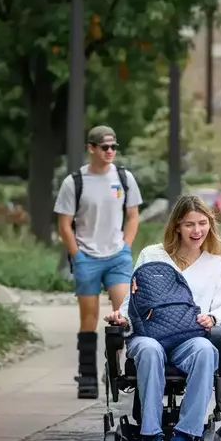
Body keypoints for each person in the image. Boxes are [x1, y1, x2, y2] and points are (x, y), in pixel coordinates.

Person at [104, 195, 221, 441]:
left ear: (210, 225)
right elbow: (133, 302)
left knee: (206, 351)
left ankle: (184, 436)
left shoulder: (214, 263)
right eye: (189, 224)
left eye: (202, 223)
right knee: (149, 350)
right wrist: (122, 317)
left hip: (189, 336)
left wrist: (212, 317)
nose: (197, 231)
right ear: (176, 226)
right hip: (149, 334)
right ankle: (150, 437)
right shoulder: (152, 255)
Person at [54, 125, 143, 399]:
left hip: (117, 256)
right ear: (91, 148)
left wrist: (126, 248)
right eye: (104, 147)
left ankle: (116, 368)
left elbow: (132, 216)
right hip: (87, 257)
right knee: (89, 318)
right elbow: (64, 225)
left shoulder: (124, 178)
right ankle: (87, 375)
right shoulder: (75, 182)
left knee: (124, 314)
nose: (110, 152)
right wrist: (77, 256)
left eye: (113, 147)